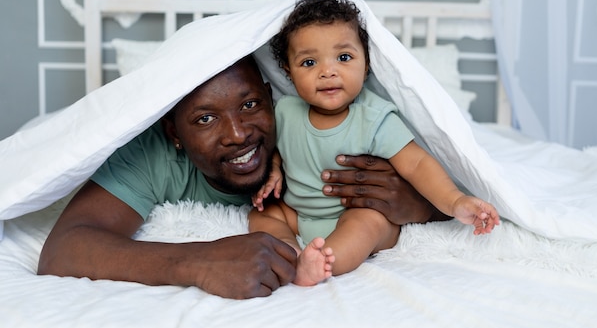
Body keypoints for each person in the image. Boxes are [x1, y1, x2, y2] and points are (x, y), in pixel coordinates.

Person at [38, 55, 446, 300]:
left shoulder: (314, 123)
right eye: (205, 118)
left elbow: (470, 191)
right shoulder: (151, 154)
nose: (238, 134)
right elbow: (63, 250)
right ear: (174, 132)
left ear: (272, 97)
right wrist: (198, 261)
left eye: (250, 104)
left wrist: (421, 206)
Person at [249, 0, 500, 286]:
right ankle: (290, 252)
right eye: (308, 62)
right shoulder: (285, 112)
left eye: (344, 57)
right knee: (262, 216)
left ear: (366, 65)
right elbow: (278, 148)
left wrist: (455, 200)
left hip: (353, 214)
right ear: (289, 73)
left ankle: (326, 260)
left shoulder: (375, 118)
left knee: (367, 223)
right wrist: (275, 168)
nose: (327, 71)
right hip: (298, 211)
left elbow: (416, 164)